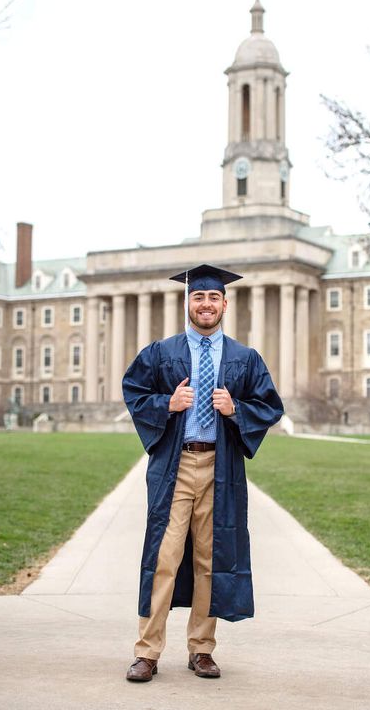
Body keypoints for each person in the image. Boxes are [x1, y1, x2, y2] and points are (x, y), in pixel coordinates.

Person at [122, 264, 284, 682]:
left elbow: (270, 406)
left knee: (210, 561)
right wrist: (166, 405)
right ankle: (147, 651)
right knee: (163, 558)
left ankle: (201, 649)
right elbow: (134, 391)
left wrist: (237, 410)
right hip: (174, 468)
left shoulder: (244, 358)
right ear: (187, 302)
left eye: (213, 298)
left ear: (225, 304)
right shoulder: (162, 352)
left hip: (220, 468)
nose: (206, 304)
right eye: (199, 297)